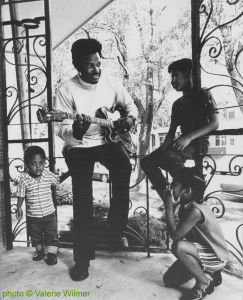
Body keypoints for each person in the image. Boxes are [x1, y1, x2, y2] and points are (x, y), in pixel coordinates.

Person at [55, 38, 138, 281]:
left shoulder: (111, 82)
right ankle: (82, 259)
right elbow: (64, 132)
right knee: (83, 198)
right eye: (90, 66)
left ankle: (116, 228)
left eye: (99, 64)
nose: (96, 70)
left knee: (123, 167)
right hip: (79, 146)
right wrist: (78, 130)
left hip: (108, 141)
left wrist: (129, 120)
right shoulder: (65, 89)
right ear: (78, 66)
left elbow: (131, 107)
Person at [140, 58, 219, 200]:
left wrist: (189, 137)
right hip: (180, 143)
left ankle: (192, 185)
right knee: (146, 161)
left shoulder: (203, 94)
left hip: (198, 142)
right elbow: (171, 132)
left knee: (170, 157)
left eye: (176, 75)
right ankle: (168, 197)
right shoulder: (177, 104)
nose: (173, 80)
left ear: (188, 74)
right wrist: (162, 149)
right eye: (172, 76)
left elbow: (214, 124)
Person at [163, 167, 229, 300]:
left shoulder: (196, 211)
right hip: (200, 250)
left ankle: (204, 281)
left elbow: (176, 236)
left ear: (187, 190)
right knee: (169, 280)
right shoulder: (186, 203)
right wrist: (173, 206)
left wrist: (168, 207)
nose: (171, 187)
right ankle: (210, 273)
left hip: (215, 255)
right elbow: (180, 234)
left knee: (178, 246)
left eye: (174, 184)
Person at [16, 146, 64, 265]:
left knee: (51, 234)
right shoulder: (24, 179)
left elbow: (57, 180)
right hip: (33, 215)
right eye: (34, 164)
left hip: (49, 213)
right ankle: (39, 251)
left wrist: (69, 172)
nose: (38, 167)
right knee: (35, 235)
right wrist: (18, 207)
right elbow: (21, 194)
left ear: (44, 163)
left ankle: (52, 254)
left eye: (41, 163)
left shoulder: (47, 175)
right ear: (27, 165)